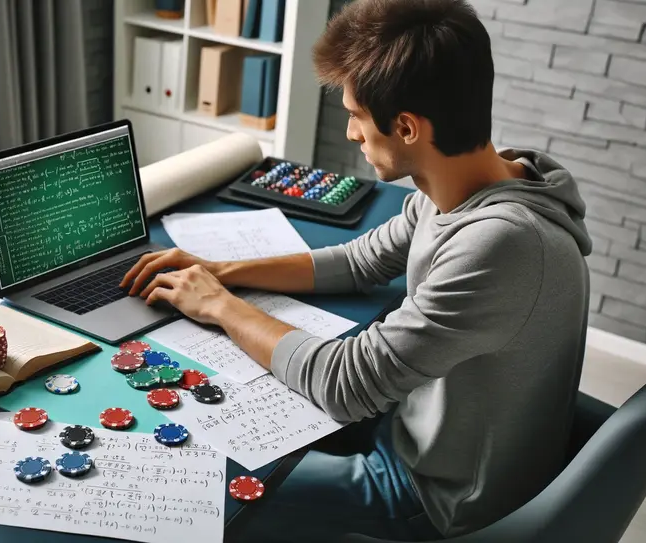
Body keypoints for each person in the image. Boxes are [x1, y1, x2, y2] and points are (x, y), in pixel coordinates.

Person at [120, 0, 593, 539]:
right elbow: (360, 259)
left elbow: (346, 383)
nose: (350, 133)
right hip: (418, 427)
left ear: (408, 127)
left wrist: (219, 306)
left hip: (436, 491)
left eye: (355, 115)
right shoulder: (478, 181)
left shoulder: (502, 244)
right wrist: (222, 269)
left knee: (195, 491)